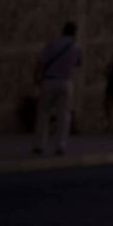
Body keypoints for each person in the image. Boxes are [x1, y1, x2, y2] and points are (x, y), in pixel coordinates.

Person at [33, 21, 82, 155]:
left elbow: (41, 61)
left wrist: (36, 77)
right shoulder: (76, 47)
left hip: (49, 80)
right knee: (64, 114)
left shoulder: (53, 43)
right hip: (66, 82)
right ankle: (60, 145)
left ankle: (39, 145)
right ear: (74, 33)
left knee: (44, 113)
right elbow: (78, 64)